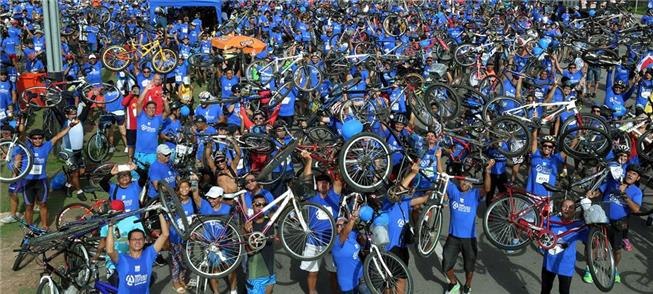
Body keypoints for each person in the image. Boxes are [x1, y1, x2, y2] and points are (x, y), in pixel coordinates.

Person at [442, 160, 493, 294]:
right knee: (446, 265)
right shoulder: (453, 191)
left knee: (469, 267)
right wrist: (437, 157)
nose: (464, 184)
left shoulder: (475, 194)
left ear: (471, 183)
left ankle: (467, 286)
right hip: (453, 237)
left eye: (467, 182)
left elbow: (487, 189)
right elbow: (443, 177)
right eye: (462, 181)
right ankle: (454, 284)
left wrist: (487, 171)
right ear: (458, 182)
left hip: (469, 239)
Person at [586, 164, 642, 284]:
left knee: (617, 250)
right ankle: (590, 269)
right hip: (602, 219)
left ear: (637, 178)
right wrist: (592, 194)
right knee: (595, 246)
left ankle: (613, 268)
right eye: (629, 172)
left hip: (618, 224)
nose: (630, 175)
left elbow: (636, 209)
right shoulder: (613, 182)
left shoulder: (636, 192)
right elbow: (599, 192)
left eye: (634, 174)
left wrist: (625, 196)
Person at [300, 150, 343, 294]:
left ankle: (335, 292)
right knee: (313, 272)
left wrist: (335, 160)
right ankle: (312, 292)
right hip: (313, 241)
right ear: (316, 184)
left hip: (331, 241)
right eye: (320, 182)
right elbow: (306, 178)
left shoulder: (334, 196)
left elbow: (338, 180)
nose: (323, 184)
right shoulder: (311, 196)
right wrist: (309, 161)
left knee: (334, 272)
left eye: (326, 182)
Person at [23, 123, 77, 228]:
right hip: (28, 181)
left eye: (40, 138)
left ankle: (45, 226)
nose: (37, 140)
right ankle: (29, 228)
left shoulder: (46, 146)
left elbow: (58, 136)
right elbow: (22, 134)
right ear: (31, 139)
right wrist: (21, 122)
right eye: (34, 138)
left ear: (43, 139)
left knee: (43, 204)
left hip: (41, 181)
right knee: (29, 206)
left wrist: (70, 126)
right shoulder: (26, 147)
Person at [105, 208, 169, 293]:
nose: (137, 241)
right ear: (128, 242)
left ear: (145, 241)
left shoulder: (149, 255)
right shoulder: (122, 259)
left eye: (140, 239)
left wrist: (160, 213)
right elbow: (109, 250)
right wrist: (110, 226)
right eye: (134, 239)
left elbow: (165, 234)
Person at [191, 185, 237, 294]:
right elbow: (196, 196)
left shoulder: (228, 209)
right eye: (209, 198)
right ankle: (216, 292)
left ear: (221, 198)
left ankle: (233, 291)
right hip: (210, 244)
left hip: (226, 244)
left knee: (231, 268)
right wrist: (194, 181)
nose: (211, 200)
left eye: (214, 198)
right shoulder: (205, 206)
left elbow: (234, 227)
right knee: (213, 270)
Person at [540, 199, 587, 294]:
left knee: (564, 291)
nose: (567, 209)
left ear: (574, 211)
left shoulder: (578, 226)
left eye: (571, 207)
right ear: (560, 208)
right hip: (549, 262)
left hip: (566, 265)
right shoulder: (552, 220)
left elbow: (591, 239)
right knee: (545, 289)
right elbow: (540, 232)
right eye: (564, 206)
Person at [94, 199, 145, 287]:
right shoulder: (133, 220)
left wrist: (96, 256)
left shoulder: (108, 225)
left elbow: (102, 244)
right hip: (121, 262)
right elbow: (142, 239)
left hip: (123, 261)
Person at [244, 194, 277, 294]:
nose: (261, 207)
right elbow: (249, 252)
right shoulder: (248, 225)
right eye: (258, 204)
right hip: (255, 274)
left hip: (270, 271)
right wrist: (247, 233)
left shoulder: (270, 222)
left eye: (264, 204)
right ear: (252, 206)